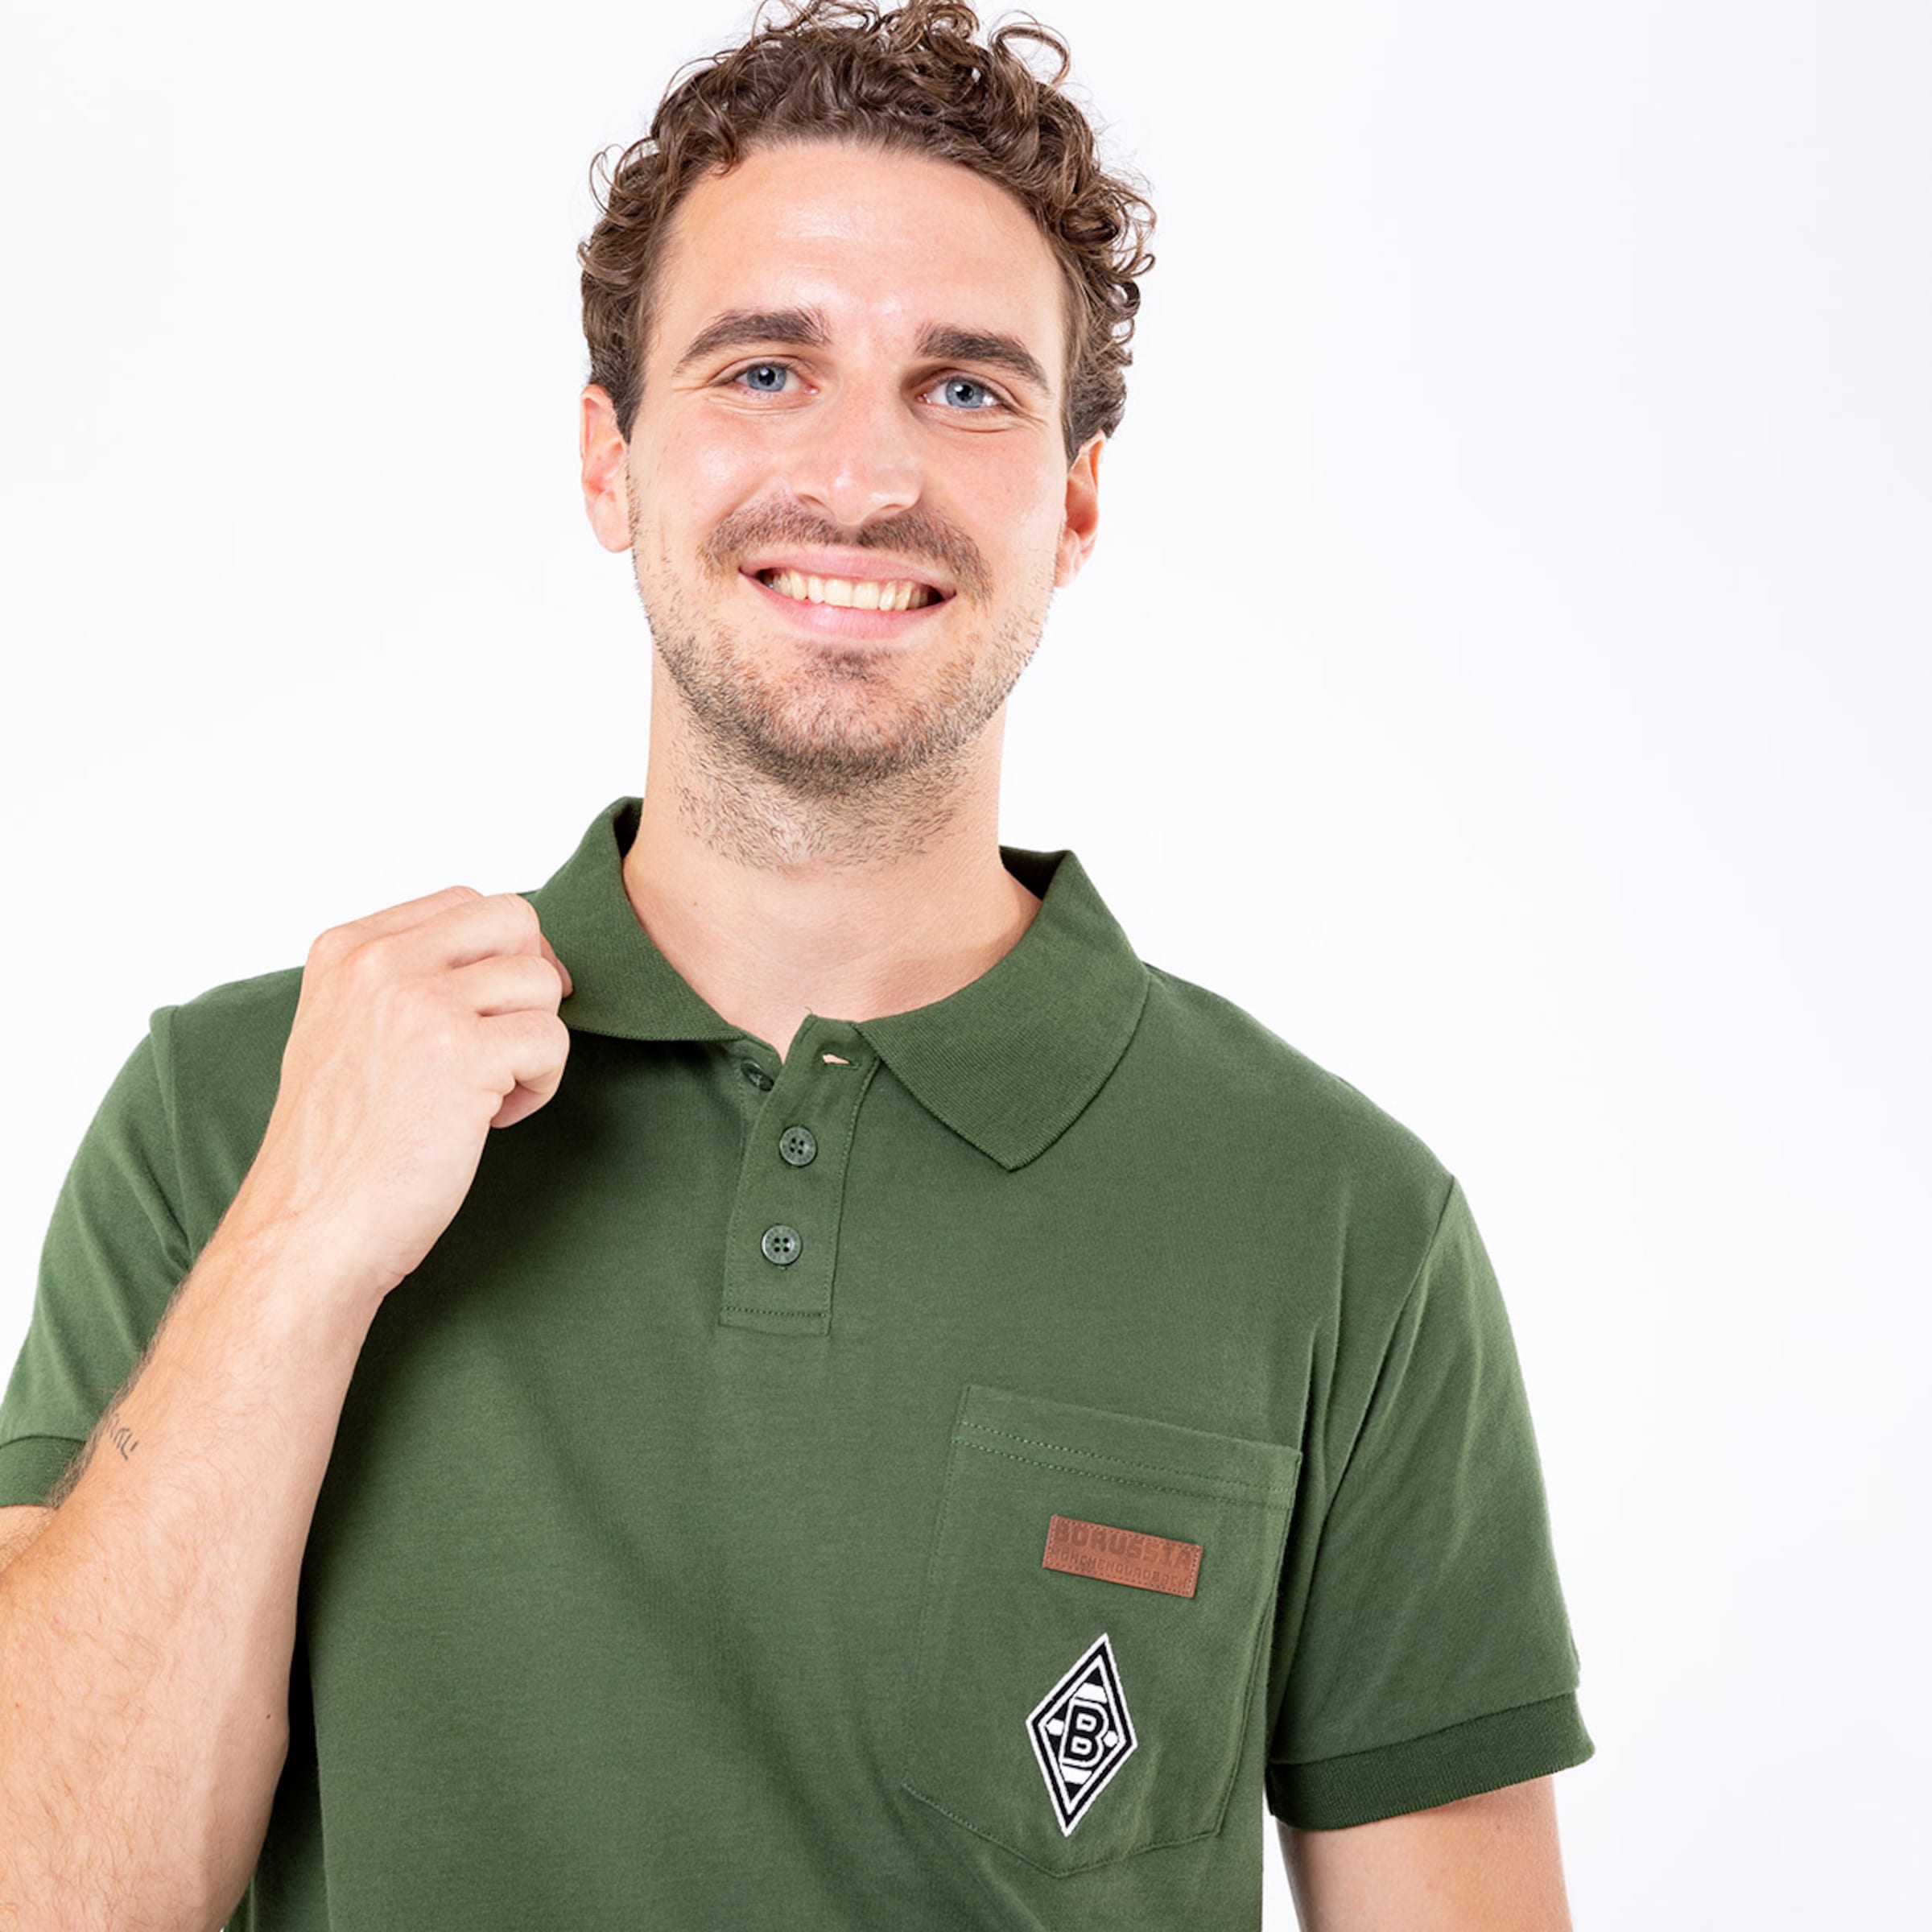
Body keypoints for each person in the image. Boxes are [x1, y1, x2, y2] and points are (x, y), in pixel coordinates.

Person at [0, 2, 1592, 1925]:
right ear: (610, 459)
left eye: (968, 389)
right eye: (766, 369)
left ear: (1076, 500)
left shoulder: (1339, 1222)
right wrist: (295, 1252)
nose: (861, 476)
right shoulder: (236, 1114)